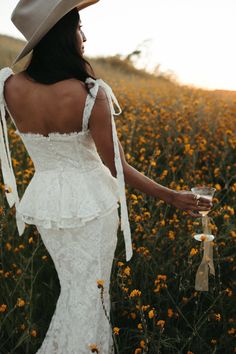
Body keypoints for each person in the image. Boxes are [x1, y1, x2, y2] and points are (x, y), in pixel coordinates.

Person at [0, 0, 212, 353]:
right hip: (92, 206)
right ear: (65, 36)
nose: (84, 35)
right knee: (91, 292)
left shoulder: (8, 87)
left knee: (75, 289)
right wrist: (172, 196)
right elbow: (118, 167)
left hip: (49, 206)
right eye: (79, 27)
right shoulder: (90, 93)